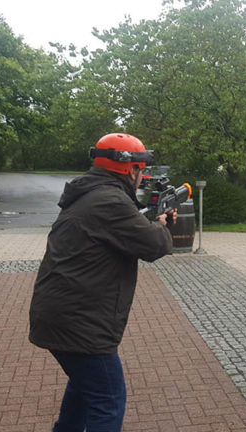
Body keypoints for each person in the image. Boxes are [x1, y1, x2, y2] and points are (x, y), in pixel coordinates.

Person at [29, 133, 175, 431]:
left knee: (84, 390)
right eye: (140, 169)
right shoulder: (110, 200)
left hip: (65, 315)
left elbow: (120, 231)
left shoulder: (93, 193)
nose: (142, 175)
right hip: (81, 322)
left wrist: (151, 221)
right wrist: (162, 225)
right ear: (129, 169)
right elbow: (154, 246)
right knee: (108, 400)